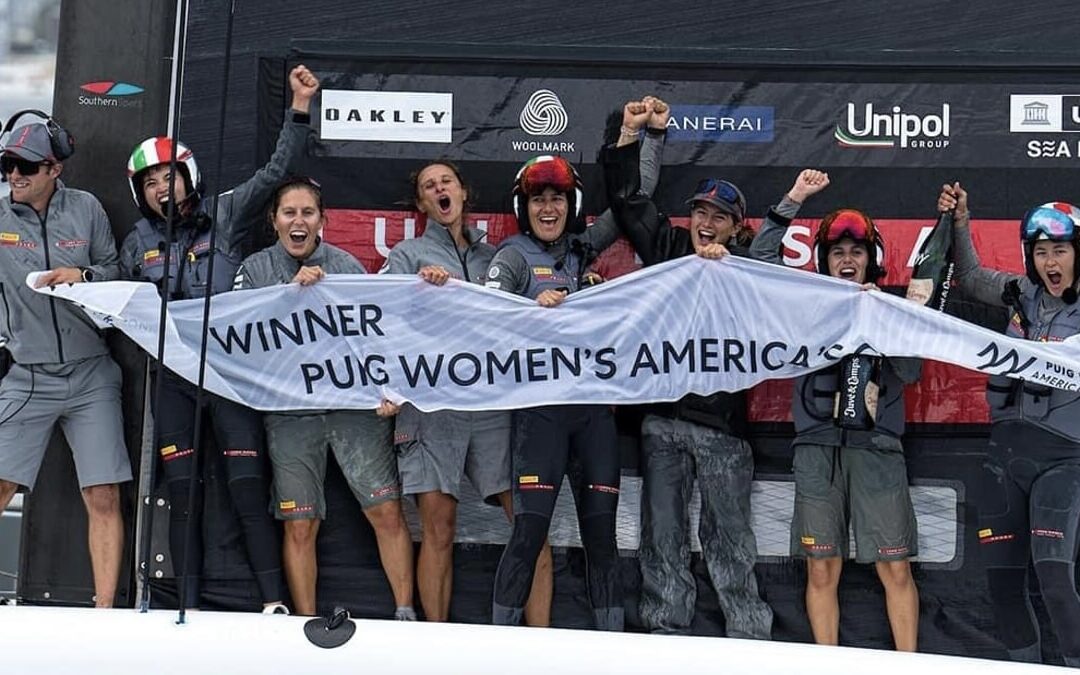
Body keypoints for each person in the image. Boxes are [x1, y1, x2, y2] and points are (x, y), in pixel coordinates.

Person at [119, 65, 319, 611]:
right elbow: (120, 308)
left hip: (229, 377)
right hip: (172, 382)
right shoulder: (137, 244)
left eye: (170, 176)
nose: (163, 189)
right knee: (182, 494)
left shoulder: (226, 212)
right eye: (151, 183)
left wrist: (299, 106)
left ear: (189, 175)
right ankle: (185, 608)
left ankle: (274, 604)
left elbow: (278, 168)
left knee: (248, 491)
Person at [602, 96, 772, 638]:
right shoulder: (670, 245)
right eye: (700, 212)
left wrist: (736, 272)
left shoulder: (751, 271)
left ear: (735, 228)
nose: (705, 222)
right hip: (663, 423)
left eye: (718, 217)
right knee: (661, 538)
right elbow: (629, 200)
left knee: (731, 542)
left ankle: (750, 639)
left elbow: (788, 314)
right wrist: (633, 134)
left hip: (722, 429)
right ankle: (665, 638)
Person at [750, 179, 922, 651]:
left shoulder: (890, 307)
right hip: (816, 449)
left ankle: (910, 664)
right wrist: (793, 201)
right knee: (822, 567)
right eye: (838, 252)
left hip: (878, 450)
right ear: (823, 259)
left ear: (872, 259)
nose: (848, 260)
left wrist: (886, 320)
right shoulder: (804, 304)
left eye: (857, 252)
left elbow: (909, 372)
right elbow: (759, 264)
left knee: (895, 566)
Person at [233, 177, 415, 618]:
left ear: (322, 221)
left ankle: (407, 615)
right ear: (274, 221)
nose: (298, 221)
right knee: (300, 523)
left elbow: (379, 339)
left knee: (386, 512)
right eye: (289, 213)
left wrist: (391, 389)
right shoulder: (256, 268)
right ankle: (305, 623)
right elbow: (236, 335)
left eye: (307, 213)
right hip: (291, 412)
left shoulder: (347, 266)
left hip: (353, 408)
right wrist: (288, 295)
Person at [485, 149, 638, 631]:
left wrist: (643, 136)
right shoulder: (510, 258)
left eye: (556, 199)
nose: (547, 209)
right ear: (522, 208)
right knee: (529, 532)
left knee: (602, 537)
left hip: (593, 414)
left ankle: (610, 648)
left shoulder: (583, 248)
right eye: (537, 200)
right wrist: (532, 308)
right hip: (541, 415)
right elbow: (481, 321)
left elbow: (636, 199)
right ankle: (497, 647)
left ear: (571, 205)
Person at [939, 184, 1080, 668]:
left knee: (1056, 580)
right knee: (1001, 586)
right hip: (1003, 458)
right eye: (1040, 252)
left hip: (1065, 461)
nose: (1050, 262)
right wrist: (960, 222)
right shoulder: (1021, 294)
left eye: (1060, 249)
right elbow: (971, 277)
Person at [0, 112, 131, 607]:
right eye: (7, 165)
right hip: (27, 375)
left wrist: (83, 275)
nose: (14, 175)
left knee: (103, 495)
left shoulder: (87, 209)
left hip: (91, 372)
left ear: (55, 169)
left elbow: (114, 271)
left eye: (25, 166)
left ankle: (104, 613)